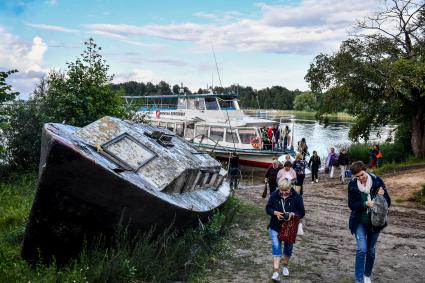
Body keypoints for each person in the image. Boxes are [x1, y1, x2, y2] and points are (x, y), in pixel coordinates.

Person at [348, 161, 391, 283]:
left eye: (362, 175)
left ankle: (367, 275)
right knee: (362, 249)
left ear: (365, 170)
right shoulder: (352, 185)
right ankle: (359, 279)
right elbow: (351, 205)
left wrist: (383, 196)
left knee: (371, 250)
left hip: (375, 222)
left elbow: (388, 202)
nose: (360, 178)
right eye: (357, 177)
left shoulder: (377, 181)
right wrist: (364, 204)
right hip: (359, 221)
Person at [266, 178, 305, 281]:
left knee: (288, 248)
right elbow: (268, 208)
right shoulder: (275, 194)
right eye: (281, 190)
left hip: (290, 228)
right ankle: (275, 272)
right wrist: (275, 213)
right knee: (276, 247)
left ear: (290, 187)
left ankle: (285, 266)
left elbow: (301, 212)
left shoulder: (297, 197)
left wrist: (292, 214)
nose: (283, 193)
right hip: (275, 226)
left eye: (286, 190)